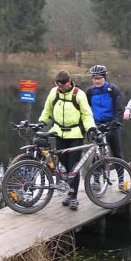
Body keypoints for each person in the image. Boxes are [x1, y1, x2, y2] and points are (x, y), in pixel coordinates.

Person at [38, 70, 96, 210]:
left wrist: (91, 129)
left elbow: (87, 115)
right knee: (63, 166)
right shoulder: (54, 92)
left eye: (63, 86)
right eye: (58, 86)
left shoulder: (79, 94)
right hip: (59, 133)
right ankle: (68, 194)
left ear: (69, 82)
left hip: (75, 135)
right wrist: (41, 123)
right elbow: (47, 110)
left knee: (73, 167)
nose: (60, 88)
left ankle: (74, 197)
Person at [85, 64, 126, 191]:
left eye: (99, 78)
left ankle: (121, 181)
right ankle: (96, 181)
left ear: (104, 78)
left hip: (112, 126)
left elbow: (120, 109)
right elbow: (84, 110)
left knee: (117, 154)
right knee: (97, 155)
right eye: (94, 78)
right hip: (97, 126)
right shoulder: (90, 92)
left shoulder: (113, 90)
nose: (96, 81)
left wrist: (115, 123)